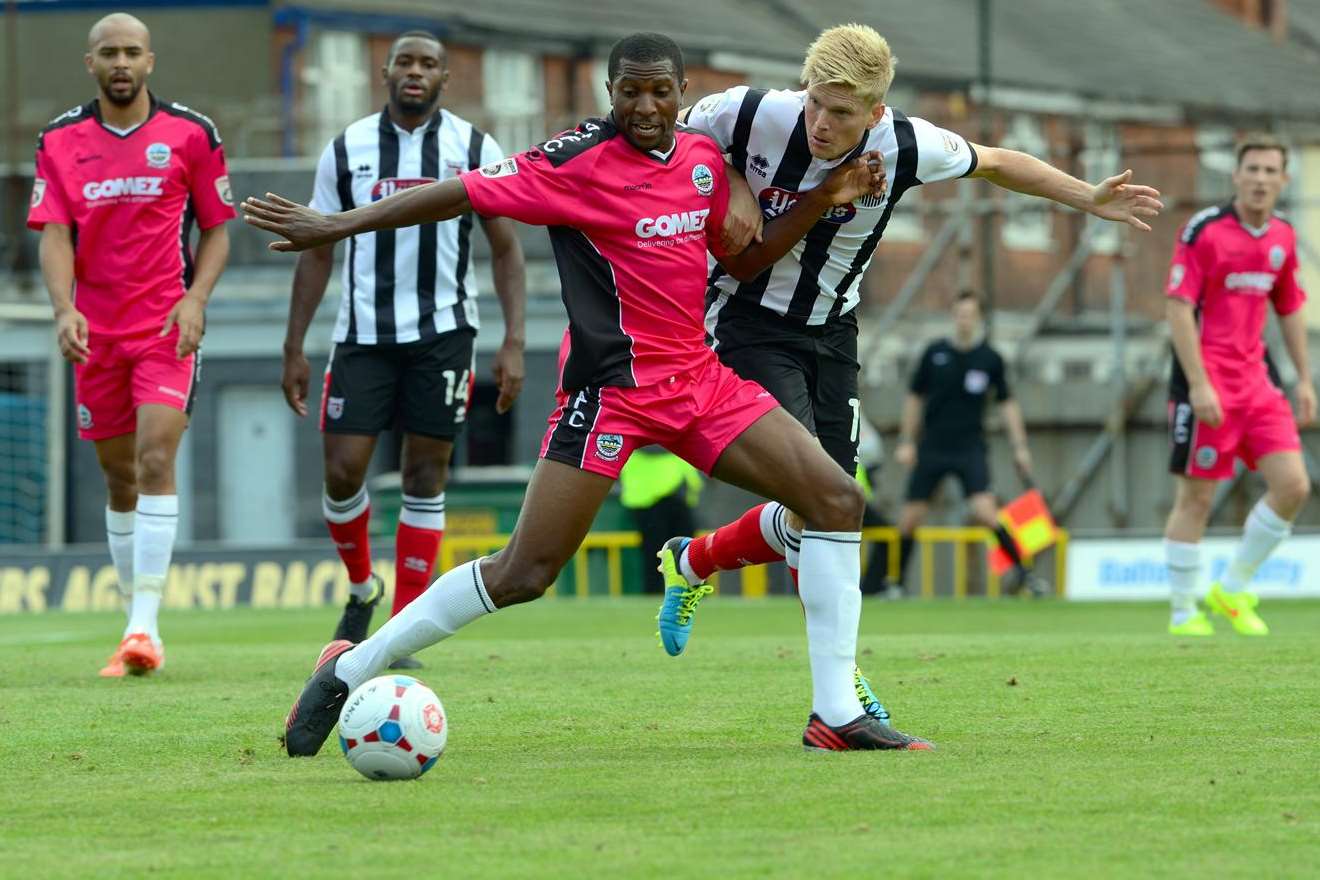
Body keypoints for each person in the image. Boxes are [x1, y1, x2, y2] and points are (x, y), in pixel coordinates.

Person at [248, 32, 929, 754]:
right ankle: (347, 668)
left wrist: (824, 197)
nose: (645, 106)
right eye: (629, 91)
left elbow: (748, 256)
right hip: (611, 394)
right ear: (609, 93)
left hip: (699, 381)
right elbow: (460, 191)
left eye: (659, 91)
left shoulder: (702, 160)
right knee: (524, 573)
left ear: (681, 93)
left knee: (836, 499)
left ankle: (834, 714)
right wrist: (339, 224)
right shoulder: (571, 161)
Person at [651, 24, 1159, 660]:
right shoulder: (750, 112)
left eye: (840, 113)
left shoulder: (908, 145)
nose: (820, 123)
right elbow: (673, 137)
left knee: (831, 508)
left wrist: (1087, 195)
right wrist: (734, 176)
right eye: (814, 102)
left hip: (835, 332)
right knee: (817, 495)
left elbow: (998, 162)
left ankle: (694, 561)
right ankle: (840, 693)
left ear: (876, 112)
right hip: (748, 322)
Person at [281, 31, 526, 666]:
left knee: (424, 473)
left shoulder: (474, 146)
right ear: (385, 72)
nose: (415, 72)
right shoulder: (347, 147)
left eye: (429, 64)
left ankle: (401, 627)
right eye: (405, 63)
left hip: (444, 336)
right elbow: (316, 247)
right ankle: (364, 586)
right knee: (341, 473)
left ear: (446, 78)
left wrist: (514, 341)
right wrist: (294, 346)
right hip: (361, 336)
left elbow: (505, 247)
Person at [28, 13, 234, 677]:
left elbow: (219, 229)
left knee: (153, 459)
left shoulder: (190, 134)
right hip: (95, 333)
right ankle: (132, 618)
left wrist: (195, 299)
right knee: (118, 478)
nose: (121, 63)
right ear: (90, 62)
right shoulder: (60, 139)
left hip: (163, 329)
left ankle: (144, 631)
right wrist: (63, 311)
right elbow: (54, 233)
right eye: (109, 53)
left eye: (132, 52)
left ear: (150, 61)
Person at [1163, 134, 1313, 636]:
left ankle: (1232, 587)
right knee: (1197, 500)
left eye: (1271, 171)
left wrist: (1304, 380)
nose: (1261, 179)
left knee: (1293, 486)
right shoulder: (1204, 230)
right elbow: (1178, 306)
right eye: (1253, 169)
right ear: (1236, 175)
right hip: (1205, 383)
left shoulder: (1283, 238)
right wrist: (1199, 384)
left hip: (1258, 383)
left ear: (1283, 181)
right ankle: (1184, 612)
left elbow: (1290, 307)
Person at [893, 291, 1044, 596]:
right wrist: (907, 440)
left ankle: (1025, 576)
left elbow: (1007, 404)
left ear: (979, 319)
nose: (964, 320)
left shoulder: (990, 359)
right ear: (953, 316)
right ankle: (894, 585)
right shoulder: (934, 353)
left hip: (969, 446)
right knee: (910, 517)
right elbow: (914, 397)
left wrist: (1020, 447)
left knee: (986, 512)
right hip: (933, 444)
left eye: (970, 315)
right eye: (959, 314)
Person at [618, 448, 702, 594]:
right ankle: (676, 591)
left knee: (667, 551)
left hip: (655, 498)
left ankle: (662, 591)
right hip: (653, 500)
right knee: (669, 550)